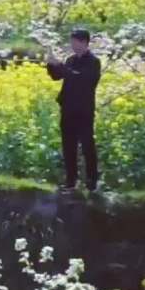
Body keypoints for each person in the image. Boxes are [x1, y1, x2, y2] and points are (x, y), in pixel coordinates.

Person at [47, 29, 101, 192]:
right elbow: (58, 76)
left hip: (84, 110)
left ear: (84, 42)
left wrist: (61, 66)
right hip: (68, 108)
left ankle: (92, 181)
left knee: (87, 146)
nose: (72, 45)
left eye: (75, 42)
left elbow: (81, 78)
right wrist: (51, 64)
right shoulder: (70, 60)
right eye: (71, 42)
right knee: (68, 145)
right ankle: (71, 181)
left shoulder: (93, 62)